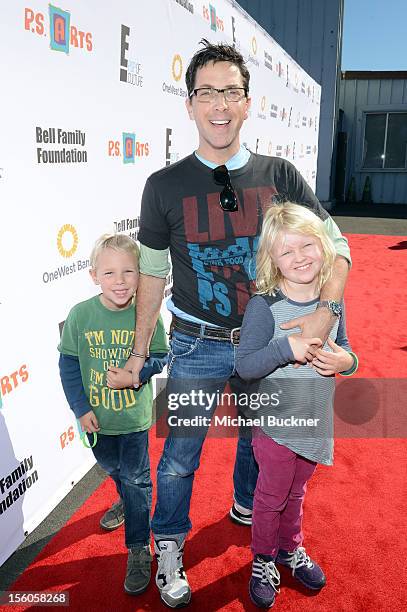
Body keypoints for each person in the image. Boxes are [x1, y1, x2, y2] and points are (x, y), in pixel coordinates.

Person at [126, 39, 351, 608]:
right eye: (207, 92)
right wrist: (137, 350)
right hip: (195, 343)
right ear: (190, 104)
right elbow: (152, 274)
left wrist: (325, 313)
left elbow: (337, 247)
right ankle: (170, 542)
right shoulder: (164, 185)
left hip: (273, 343)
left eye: (231, 91)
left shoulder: (280, 173)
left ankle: (252, 511)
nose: (219, 104)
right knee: (180, 455)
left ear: (248, 103)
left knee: (263, 441)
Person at [236, 202, 358, 608]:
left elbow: (347, 349)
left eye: (307, 245)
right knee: (271, 496)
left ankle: (291, 549)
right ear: (272, 260)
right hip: (274, 426)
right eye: (286, 252)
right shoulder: (263, 306)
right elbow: (246, 365)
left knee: (298, 492)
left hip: (315, 422)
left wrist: (347, 362)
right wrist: (284, 348)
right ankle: (263, 560)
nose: (299, 257)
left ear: (324, 246)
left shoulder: (332, 303)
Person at [58, 234, 168, 596]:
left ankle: (138, 547)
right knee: (114, 469)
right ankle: (126, 498)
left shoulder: (147, 314)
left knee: (137, 479)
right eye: (109, 273)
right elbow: (69, 364)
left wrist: (137, 375)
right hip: (97, 421)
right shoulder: (80, 315)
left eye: (128, 272)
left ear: (141, 276)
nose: (119, 281)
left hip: (134, 420)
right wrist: (81, 408)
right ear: (94, 276)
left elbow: (160, 356)